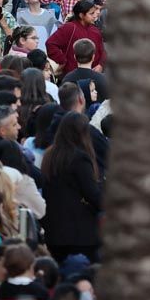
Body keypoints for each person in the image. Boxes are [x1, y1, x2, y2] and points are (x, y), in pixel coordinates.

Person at [41, 111, 103, 262]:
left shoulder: (50, 155)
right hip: (79, 234)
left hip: (54, 231)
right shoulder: (80, 158)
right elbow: (93, 194)